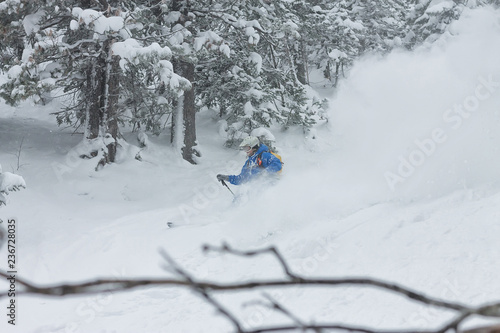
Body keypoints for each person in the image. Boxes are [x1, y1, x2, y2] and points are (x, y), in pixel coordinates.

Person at [217, 136, 282, 185]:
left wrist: (265, 173)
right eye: (244, 148)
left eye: (247, 148)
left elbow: (277, 164)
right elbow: (241, 179)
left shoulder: (264, 155)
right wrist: (227, 178)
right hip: (256, 189)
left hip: (269, 187)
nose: (245, 151)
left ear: (254, 147)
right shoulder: (248, 163)